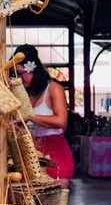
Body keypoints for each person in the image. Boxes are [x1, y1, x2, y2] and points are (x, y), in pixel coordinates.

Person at [13, 44, 74, 184]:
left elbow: (61, 121)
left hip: (55, 154)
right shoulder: (24, 94)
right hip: (32, 155)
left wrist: (29, 116)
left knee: (56, 202)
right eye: (16, 74)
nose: (20, 79)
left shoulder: (53, 88)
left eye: (22, 73)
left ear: (33, 69)